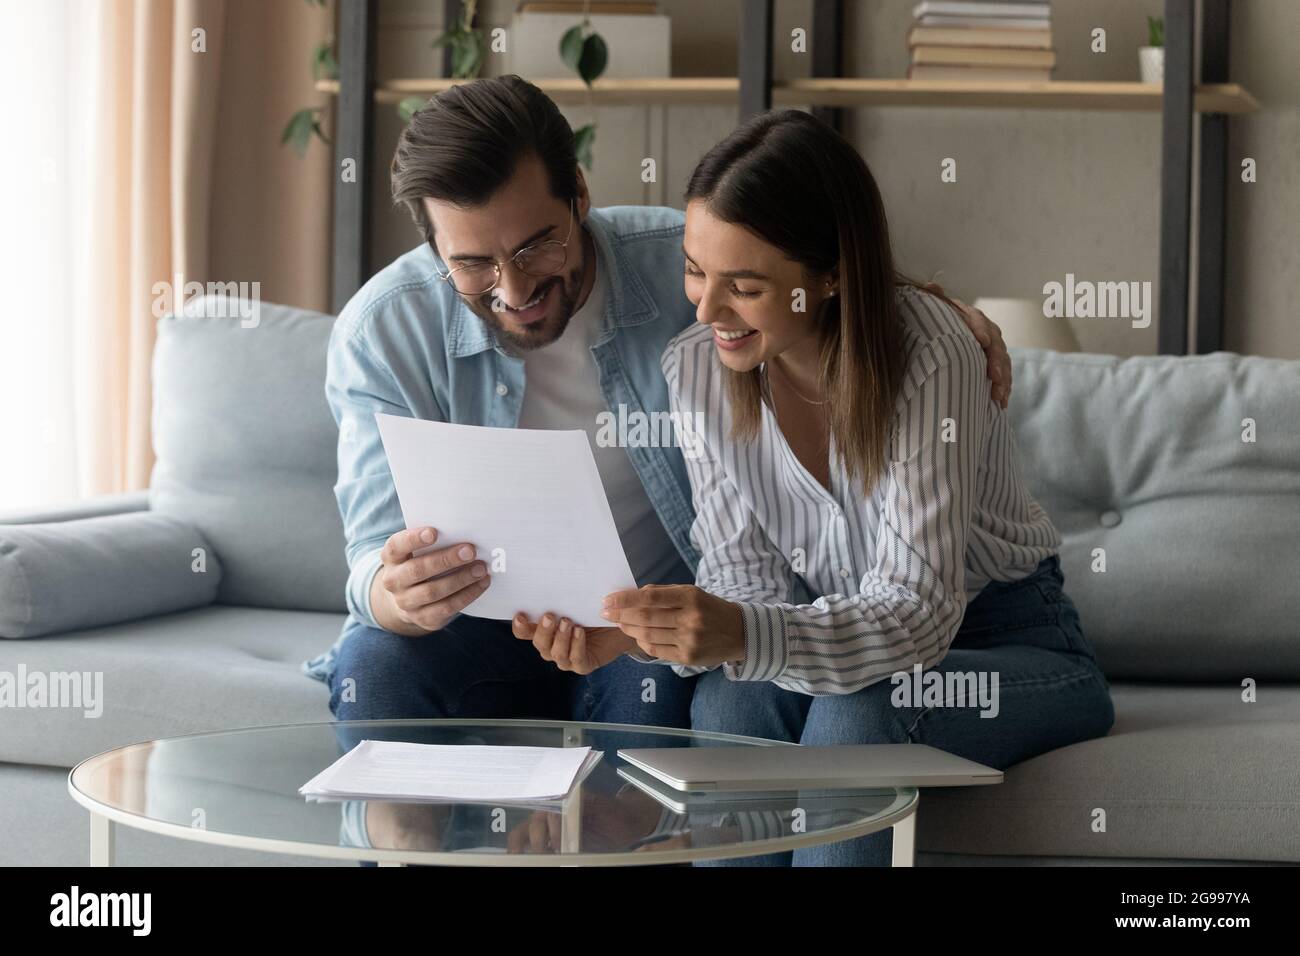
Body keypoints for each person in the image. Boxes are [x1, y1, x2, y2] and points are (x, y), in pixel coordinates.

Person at [303, 75, 1015, 740]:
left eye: (536, 245)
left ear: (579, 194)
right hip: (468, 628)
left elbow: (804, 259)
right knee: (376, 667)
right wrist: (395, 596)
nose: (513, 287)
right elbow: (369, 558)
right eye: (472, 264)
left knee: (695, 706)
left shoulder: (675, 265)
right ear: (433, 247)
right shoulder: (382, 332)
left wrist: (928, 307)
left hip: (639, 620)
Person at [512, 108, 1115, 866]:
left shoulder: (933, 354)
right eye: (695, 271)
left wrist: (743, 633)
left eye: (745, 286)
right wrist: (645, 638)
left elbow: (919, 613)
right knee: (729, 702)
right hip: (840, 637)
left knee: (855, 719)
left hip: (1012, 642)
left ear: (830, 275)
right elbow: (746, 585)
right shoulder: (697, 370)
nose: (705, 309)